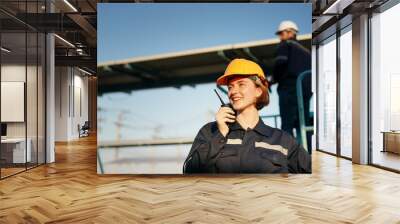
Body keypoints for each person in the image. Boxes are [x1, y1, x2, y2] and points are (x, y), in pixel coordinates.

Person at [183, 58, 311, 174]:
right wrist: (220, 134)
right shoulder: (210, 132)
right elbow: (189, 172)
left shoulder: (283, 141)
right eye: (230, 87)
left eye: (241, 84)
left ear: (258, 91)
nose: (233, 92)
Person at [272, 20, 312, 151]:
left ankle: (288, 156)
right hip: (305, 91)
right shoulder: (306, 52)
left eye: (281, 33)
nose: (280, 37)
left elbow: (280, 64)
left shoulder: (285, 46)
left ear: (290, 33)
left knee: (287, 124)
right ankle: (307, 153)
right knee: (303, 124)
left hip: (289, 89)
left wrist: (271, 81)